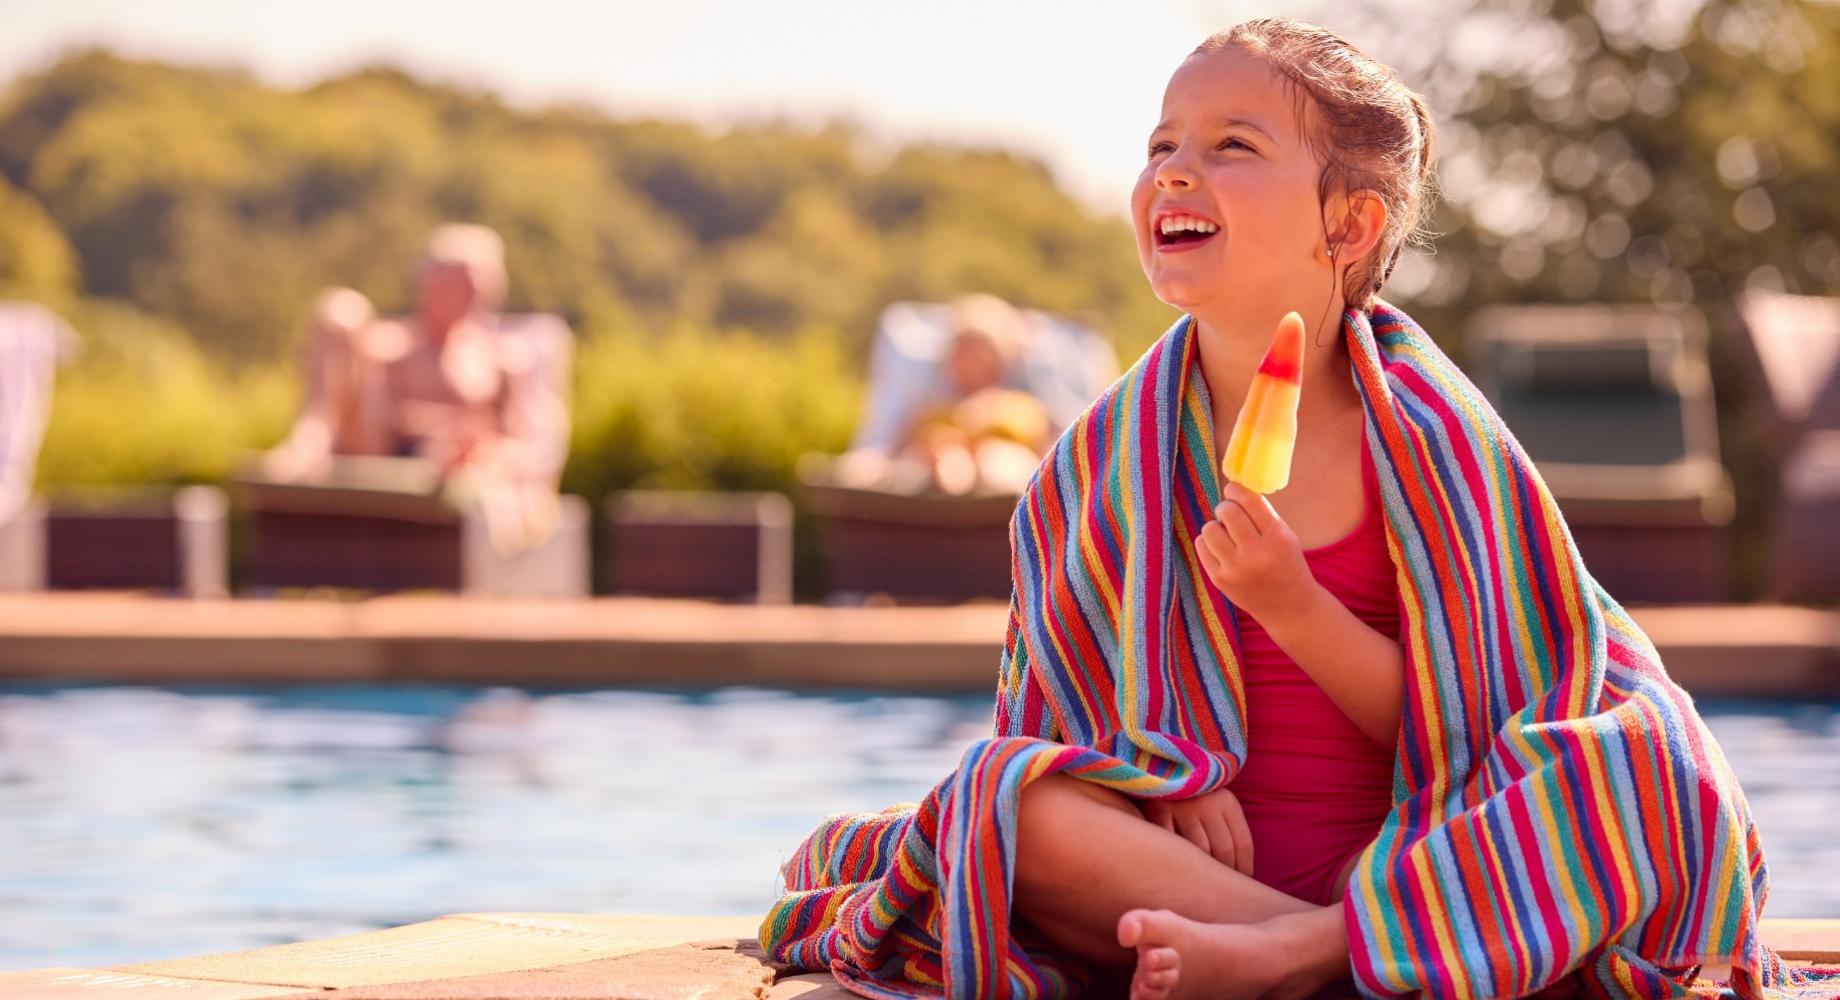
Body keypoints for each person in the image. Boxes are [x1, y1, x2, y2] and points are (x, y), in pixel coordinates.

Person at [760, 16, 1840, 1000]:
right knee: (1007, 801)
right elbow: (1058, 717)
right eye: (1160, 146)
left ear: (1348, 223)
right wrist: (1155, 766)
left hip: (1424, 845)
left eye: (1231, 145)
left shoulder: (1433, 437)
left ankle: (1304, 957)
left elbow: (1484, 720)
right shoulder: (1096, 458)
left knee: (1652, 763)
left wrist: (1294, 608)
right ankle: (1382, 957)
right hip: (1200, 874)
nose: (1176, 169)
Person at [263, 224, 569, 555]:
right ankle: (307, 444)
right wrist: (430, 427)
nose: (468, 295)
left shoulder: (504, 360)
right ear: (427, 285)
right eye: (456, 283)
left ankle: (310, 450)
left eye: (475, 285)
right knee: (341, 310)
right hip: (378, 454)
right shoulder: (389, 347)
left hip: (454, 468)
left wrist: (477, 451)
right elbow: (375, 418)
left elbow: (527, 445)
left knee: (481, 466)